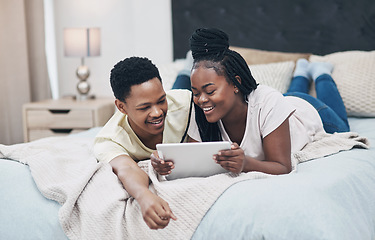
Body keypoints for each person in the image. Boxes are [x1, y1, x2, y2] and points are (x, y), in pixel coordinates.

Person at [153, 27, 349, 176]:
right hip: (282, 105)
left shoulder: (268, 101)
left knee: (343, 126)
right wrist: (167, 165)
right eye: (195, 92)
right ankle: (301, 73)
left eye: (210, 91)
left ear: (235, 83)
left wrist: (245, 163)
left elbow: (282, 167)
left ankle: (321, 73)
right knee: (288, 94)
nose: (202, 99)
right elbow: (193, 160)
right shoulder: (201, 110)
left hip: (308, 111)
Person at [93, 56, 192, 229]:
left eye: (161, 100)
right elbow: (127, 168)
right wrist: (144, 195)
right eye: (144, 107)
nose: (156, 112)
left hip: (180, 97)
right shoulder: (109, 139)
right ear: (121, 107)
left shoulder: (187, 104)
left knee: (186, 80)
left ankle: (187, 67)